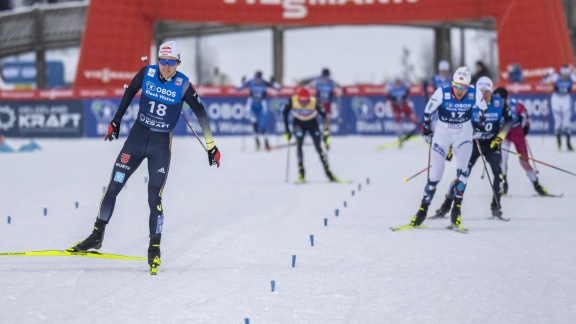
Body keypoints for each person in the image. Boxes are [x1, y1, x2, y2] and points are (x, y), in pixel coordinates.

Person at [68, 41, 221, 272]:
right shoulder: (147, 73)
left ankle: (154, 248)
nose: (166, 66)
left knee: (154, 197)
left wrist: (211, 146)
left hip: (160, 144)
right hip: (137, 139)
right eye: (163, 60)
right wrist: (115, 122)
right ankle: (97, 235)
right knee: (114, 185)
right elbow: (129, 92)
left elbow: (200, 112)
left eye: (171, 62)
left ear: (178, 63)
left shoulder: (183, 85)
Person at [403, 67, 487, 231]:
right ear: (452, 83)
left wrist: (480, 128)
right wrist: (426, 130)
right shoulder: (442, 92)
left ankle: (456, 212)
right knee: (436, 173)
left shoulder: (475, 93)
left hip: (463, 133)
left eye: (464, 87)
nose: (460, 91)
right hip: (443, 132)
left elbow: (483, 110)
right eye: (457, 86)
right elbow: (428, 112)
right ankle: (422, 211)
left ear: (469, 86)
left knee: (463, 172)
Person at [432, 77, 513, 219]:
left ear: (491, 91)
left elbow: (509, 121)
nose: (483, 95)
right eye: (480, 92)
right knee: (462, 176)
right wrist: (450, 146)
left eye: (486, 91)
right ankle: (446, 205)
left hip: (492, 144)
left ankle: (496, 207)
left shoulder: (499, 103)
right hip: (472, 144)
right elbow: (455, 124)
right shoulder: (469, 102)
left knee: (498, 175)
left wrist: (500, 137)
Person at [495, 87, 549, 196]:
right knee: (502, 157)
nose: (498, 104)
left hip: (517, 132)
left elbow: (526, 118)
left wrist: (525, 128)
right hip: (503, 132)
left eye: (500, 101)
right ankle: (504, 183)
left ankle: (536, 184)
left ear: (506, 99)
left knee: (524, 161)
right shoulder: (494, 107)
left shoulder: (517, 106)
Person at [283, 87, 338, 183]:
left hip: (312, 123)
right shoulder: (293, 100)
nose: (304, 103)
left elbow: (324, 114)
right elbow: (284, 113)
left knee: (318, 147)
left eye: (305, 101)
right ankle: (301, 173)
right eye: (302, 101)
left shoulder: (314, 101)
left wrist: (325, 131)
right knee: (299, 145)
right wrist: (287, 130)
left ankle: (328, 173)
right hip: (298, 123)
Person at [236, 71, 280, 151]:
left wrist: (273, 82)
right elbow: (238, 88)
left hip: (261, 106)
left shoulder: (264, 82)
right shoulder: (250, 82)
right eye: (256, 79)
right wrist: (242, 82)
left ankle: (266, 142)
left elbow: (278, 88)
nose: (258, 81)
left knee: (263, 125)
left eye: (259, 79)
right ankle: (257, 141)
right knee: (254, 123)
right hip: (252, 105)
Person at [544, 65, 575, 151]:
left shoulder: (571, 76)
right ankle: (559, 142)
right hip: (556, 99)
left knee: (567, 123)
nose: (565, 76)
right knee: (558, 123)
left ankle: (568, 143)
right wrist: (548, 74)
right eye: (563, 74)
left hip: (566, 99)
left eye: (566, 74)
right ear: (561, 73)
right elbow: (544, 81)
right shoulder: (556, 76)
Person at [308, 68, 341, 150]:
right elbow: (309, 86)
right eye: (324, 76)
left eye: (327, 76)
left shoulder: (331, 82)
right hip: (318, 104)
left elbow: (339, 88)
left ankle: (326, 141)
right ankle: (315, 139)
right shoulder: (317, 82)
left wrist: (339, 91)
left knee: (326, 125)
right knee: (314, 122)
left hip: (327, 105)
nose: (325, 78)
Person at [386, 76, 418, 143]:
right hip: (395, 106)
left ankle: (415, 129)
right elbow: (388, 96)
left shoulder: (405, 86)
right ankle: (399, 136)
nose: (398, 83)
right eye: (396, 81)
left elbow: (408, 93)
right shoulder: (390, 87)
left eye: (399, 81)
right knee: (398, 120)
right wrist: (389, 101)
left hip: (404, 104)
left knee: (412, 115)